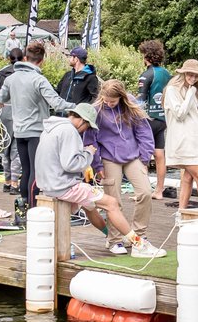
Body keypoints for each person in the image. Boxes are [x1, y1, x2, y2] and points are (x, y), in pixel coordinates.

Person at [37, 103, 165, 257]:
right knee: (111, 203)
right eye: (88, 127)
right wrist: (88, 152)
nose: (86, 131)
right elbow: (71, 164)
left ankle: (113, 235)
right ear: (82, 121)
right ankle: (139, 245)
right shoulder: (69, 131)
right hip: (63, 185)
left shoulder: (53, 127)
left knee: (89, 206)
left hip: (48, 184)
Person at [0, 41, 74, 208]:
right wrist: (78, 108)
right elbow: (57, 104)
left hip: (19, 133)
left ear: (25, 57)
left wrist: (2, 103)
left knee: (26, 171)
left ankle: (24, 207)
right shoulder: (39, 80)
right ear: (42, 60)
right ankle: (32, 209)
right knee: (36, 172)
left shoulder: (10, 78)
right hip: (36, 133)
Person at [85, 80, 155, 255]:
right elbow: (90, 139)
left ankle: (138, 235)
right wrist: (96, 164)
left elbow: (144, 132)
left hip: (133, 156)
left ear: (121, 98)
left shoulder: (130, 105)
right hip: (109, 158)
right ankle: (114, 239)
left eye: (113, 101)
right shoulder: (96, 109)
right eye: (106, 100)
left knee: (145, 192)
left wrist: (144, 158)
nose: (109, 104)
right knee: (113, 200)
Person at [163, 59, 198, 217]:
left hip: (195, 142)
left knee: (188, 178)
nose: (193, 78)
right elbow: (180, 115)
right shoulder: (173, 90)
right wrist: (191, 93)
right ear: (183, 73)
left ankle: (181, 213)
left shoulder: (196, 93)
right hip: (181, 142)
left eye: (196, 76)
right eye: (190, 74)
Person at [137, 39, 171, 200]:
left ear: (147, 56)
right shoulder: (166, 74)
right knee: (159, 155)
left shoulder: (146, 75)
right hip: (163, 119)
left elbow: (141, 100)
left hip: (148, 120)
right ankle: (159, 190)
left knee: (142, 155)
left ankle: (141, 191)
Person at [0, 48, 24, 193]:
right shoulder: (23, 75)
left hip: (2, 113)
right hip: (18, 113)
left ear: (8, 58)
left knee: (5, 149)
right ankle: (15, 184)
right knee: (16, 150)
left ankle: (6, 181)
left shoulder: (1, 73)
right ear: (23, 59)